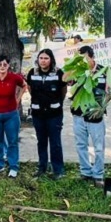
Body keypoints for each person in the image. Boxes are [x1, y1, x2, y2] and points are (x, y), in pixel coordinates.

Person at [69, 45, 107, 187]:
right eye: (80, 59)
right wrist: (73, 67)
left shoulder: (103, 71)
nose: (82, 62)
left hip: (95, 116)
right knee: (81, 145)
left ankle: (98, 174)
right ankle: (85, 172)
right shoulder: (77, 71)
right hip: (78, 114)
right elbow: (64, 79)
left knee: (98, 147)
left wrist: (103, 107)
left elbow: (110, 91)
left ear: (92, 57)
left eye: (84, 58)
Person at [0, 54, 26, 178]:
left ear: (8, 65)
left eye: (5, 64)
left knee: (12, 141)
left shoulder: (14, 78)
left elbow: (24, 85)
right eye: (0, 64)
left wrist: (18, 99)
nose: (2, 67)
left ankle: (13, 166)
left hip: (11, 114)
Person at [26, 49, 67, 179]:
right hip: (38, 114)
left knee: (55, 143)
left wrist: (56, 103)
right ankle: (42, 167)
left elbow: (63, 91)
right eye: (41, 58)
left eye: (46, 58)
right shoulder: (32, 73)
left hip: (54, 114)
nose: (43, 61)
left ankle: (58, 170)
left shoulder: (58, 72)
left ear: (51, 60)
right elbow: (30, 89)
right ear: (37, 60)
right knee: (41, 141)